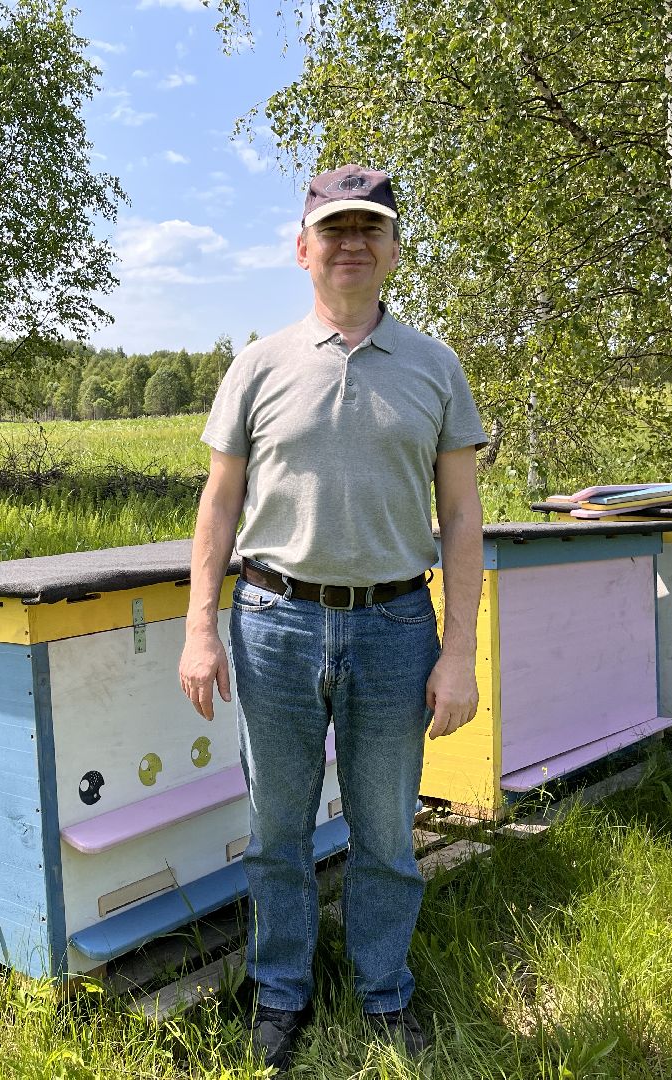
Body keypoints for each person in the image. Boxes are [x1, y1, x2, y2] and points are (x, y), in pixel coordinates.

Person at [177, 163, 486, 1071]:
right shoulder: (258, 365)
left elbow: (463, 516)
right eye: (336, 229)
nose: (353, 244)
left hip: (396, 626)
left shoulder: (436, 367)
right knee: (277, 826)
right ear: (302, 247)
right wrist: (201, 625)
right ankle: (281, 994)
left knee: (388, 830)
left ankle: (385, 993)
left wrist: (458, 651)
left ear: (394, 249)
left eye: (371, 229)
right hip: (273, 624)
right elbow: (218, 505)